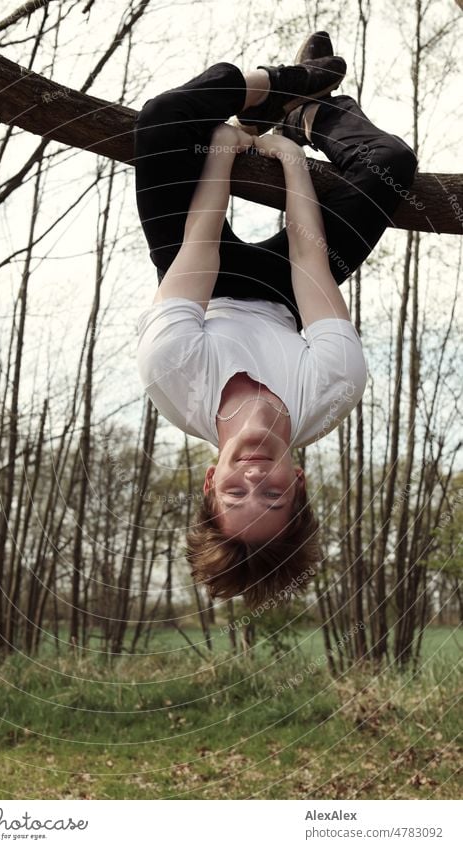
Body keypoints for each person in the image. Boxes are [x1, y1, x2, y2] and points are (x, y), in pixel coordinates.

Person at [132, 32, 418, 607]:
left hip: (200, 277)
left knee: (163, 116)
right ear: (300, 486)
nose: (255, 479)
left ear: (211, 483)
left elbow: (200, 245)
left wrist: (222, 150)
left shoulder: (169, 373)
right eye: (273, 499)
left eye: (237, 494)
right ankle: (310, 116)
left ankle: (272, 86)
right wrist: (289, 161)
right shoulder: (334, 387)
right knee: (391, 163)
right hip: (291, 288)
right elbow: (309, 260)